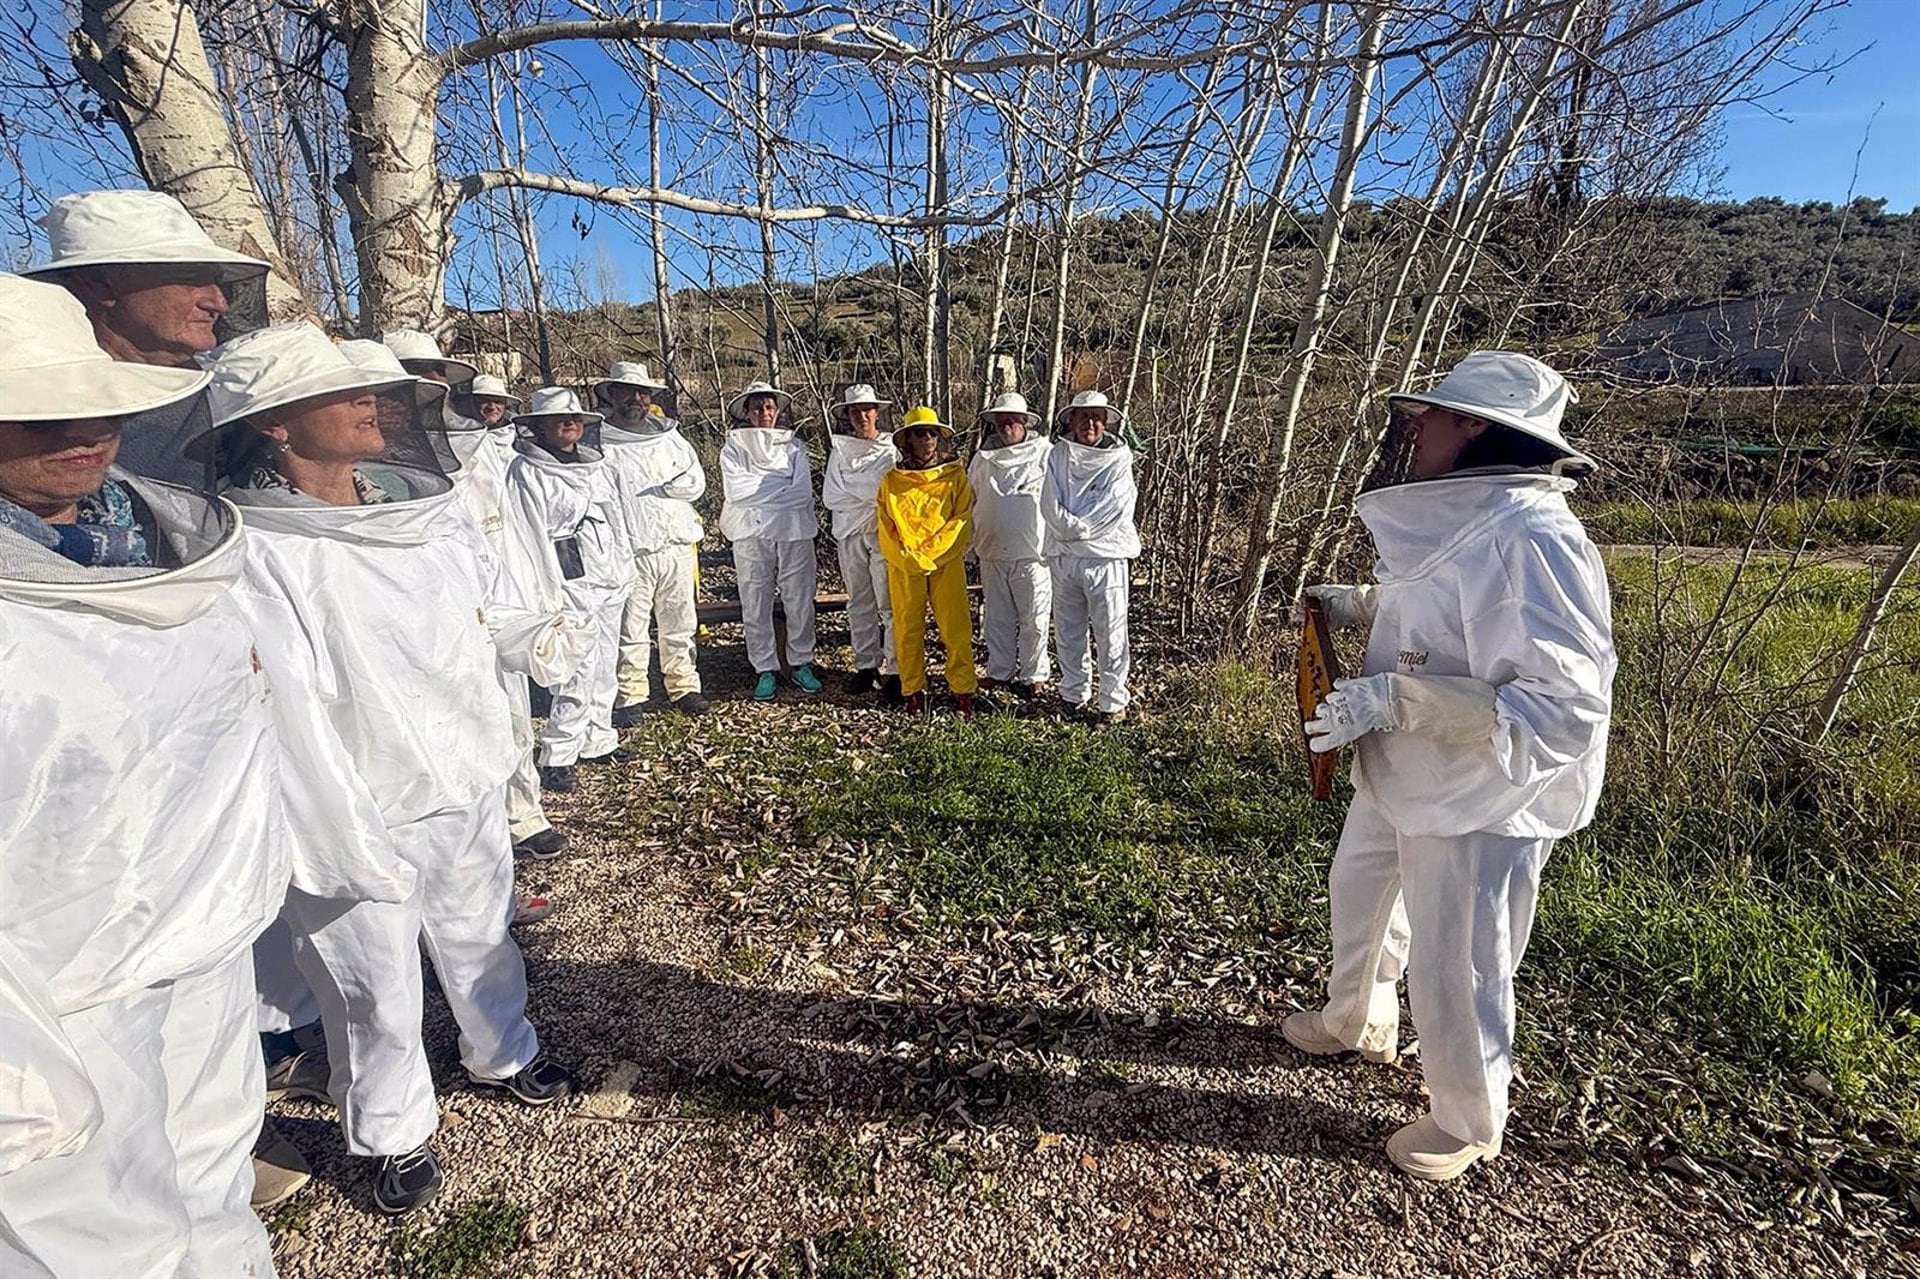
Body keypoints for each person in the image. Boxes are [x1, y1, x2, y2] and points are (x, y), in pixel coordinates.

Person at [204, 322, 575, 1216]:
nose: (371, 399)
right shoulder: (257, 549)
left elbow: (478, 611)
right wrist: (338, 833)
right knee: (372, 986)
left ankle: (502, 1051)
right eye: (339, 392)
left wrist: (531, 636)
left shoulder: (422, 509)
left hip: (465, 771)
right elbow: (286, 711)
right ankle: (393, 1128)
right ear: (274, 426)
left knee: (481, 930)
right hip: (357, 803)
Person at [23, 187, 314, 1207]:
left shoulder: (206, 401)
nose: (213, 297)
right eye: (185, 274)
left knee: (208, 1048)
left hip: (209, 764)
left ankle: (233, 1137)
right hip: (71, 846)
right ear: (99, 287)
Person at [1289, 350, 1615, 1181]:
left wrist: (1399, 700)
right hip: (1401, 764)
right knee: (1358, 892)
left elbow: (1559, 704)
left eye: (1432, 413)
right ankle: (1355, 1018)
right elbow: (1428, 610)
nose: (1416, 427)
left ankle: (1468, 1118)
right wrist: (1355, 605)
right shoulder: (1461, 517)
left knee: (1460, 958)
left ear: (1476, 427)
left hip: (1483, 791)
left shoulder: (1536, 538)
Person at [505, 387, 637, 792]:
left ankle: (598, 737)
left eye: (576, 418)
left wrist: (624, 566)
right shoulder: (525, 472)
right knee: (576, 669)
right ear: (539, 426)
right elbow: (527, 536)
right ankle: (558, 751)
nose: (570, 424)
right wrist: (546, 593)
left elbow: (619, 516)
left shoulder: (596, 466)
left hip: (607, 574)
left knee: (606, 659)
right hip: (566, 580)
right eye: (560, 418)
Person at [597, 362, 709, 721]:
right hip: (629, 549)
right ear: (612, 394)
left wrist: (670, 487)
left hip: (675, 543)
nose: (636, 398)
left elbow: (695, 481)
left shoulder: (670, 436)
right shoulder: (599, 441)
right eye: (628, 391)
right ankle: (630, 695)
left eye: (643, 393)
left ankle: (684, 687)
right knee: (631, 625)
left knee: (680, 620)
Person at [718, 380, 824, 701]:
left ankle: (801, 661)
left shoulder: (794, 447)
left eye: (769, 407)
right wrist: (779, 487)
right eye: (757, 408)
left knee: (800, 598)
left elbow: (801, 492)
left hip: (794, 530)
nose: (764, 413)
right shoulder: (733, 447)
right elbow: (736, 491)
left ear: (777, 412)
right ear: (748, 414)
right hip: (749, 532)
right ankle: (764, 667)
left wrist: (760, 493)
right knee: (755, 599)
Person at [1042, 390, 1139, 725]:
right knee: (1069, 631)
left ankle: (1112, 701)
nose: (1090, 423)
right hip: (1065, 557)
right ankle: (1073, 693)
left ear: (1106, 420)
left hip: (1106, 558)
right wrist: (1070, 530)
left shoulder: (1119, 458)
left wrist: (1075, 529)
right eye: (1083, 416)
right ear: (1072, 419)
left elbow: (1115, 508)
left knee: (1111, 632)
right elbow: (1049, 503)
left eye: (1097, 416)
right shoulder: (1058, 454)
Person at [877, 406, 977, 716]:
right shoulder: (891, 481)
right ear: (907, 440)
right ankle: (913, 691)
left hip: (945, 565)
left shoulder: (955, 476)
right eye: (921, 433)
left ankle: (963, 690)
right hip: (906, 567)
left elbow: (961, 522)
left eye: (933, 433)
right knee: (907, 629)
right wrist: (910, 559)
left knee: (956, 628)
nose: (928, 439)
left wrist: (931, 556)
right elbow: (886, 530)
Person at [968, 391, 1052, 700]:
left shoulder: (1045, 453)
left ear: (1025, 423)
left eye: (1013, 421)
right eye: (1001, 422)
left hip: (1033, 553)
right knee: (997, 618)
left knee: (1035, 618)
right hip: (991, 551)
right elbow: (970, 499)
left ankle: (1034, 675)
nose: (1007, 427)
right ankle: (999, 672)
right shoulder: (982, 459)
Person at [821, 384, 900, 697]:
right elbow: (831, 496)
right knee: (859, 602)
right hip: (850, 533)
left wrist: (862, 494)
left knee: (889, 603)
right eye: (855, 411)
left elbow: (892, 494)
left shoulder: (892, 449)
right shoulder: (839, 451)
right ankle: (866, 665)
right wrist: (870, 494)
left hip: (884, 534)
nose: (861, 416)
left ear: (876, 413)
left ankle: (895, 670)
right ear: (848, 415)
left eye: (866, 409)